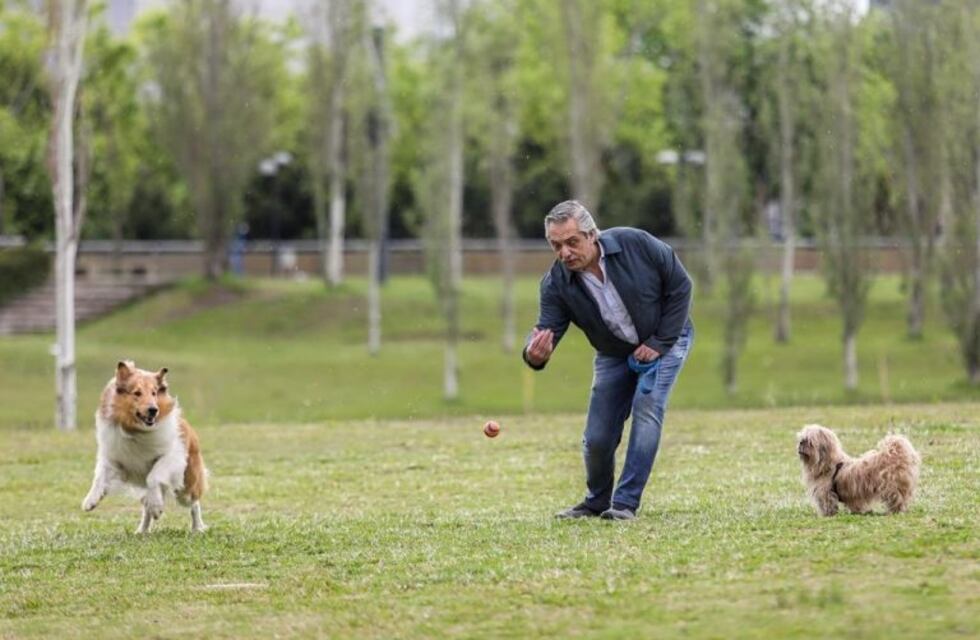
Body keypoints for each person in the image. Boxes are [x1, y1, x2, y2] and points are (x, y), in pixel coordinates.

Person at [523, 200, 694, 521]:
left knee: (647, 406)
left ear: (592, 235)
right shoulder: (556, 284)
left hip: (667, 337)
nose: (565, 253)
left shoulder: (636, 243)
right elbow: (544, 331)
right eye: (556, 245)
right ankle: (596, 501)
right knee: (598, 437)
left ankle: (625, 503)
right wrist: (533, 354)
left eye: (572, 242)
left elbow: (681, 286)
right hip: (614, 353)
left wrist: (658, 342)